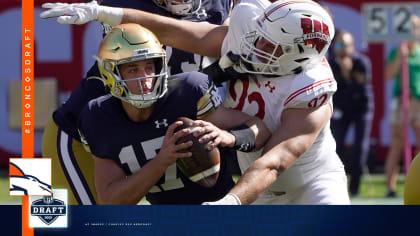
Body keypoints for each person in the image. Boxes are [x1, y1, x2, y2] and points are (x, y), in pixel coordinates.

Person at [40, 0, 350, 205]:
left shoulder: (308, 86)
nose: (255, 42)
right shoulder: (97, 112)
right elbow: (174, 30)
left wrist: (229, 192)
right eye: (257, 33)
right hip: (83, 132)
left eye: (269, 42)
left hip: (175, 129)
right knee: (48, 217)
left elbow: (270, 152)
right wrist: (103, 11)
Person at [40, 0, 232, 205]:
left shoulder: (219, 4)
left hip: (152, 129)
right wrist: (114, 13)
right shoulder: (126, 5)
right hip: (84, 131)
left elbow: (221, 45)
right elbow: (188, 36)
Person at [78, 23, 269, 204]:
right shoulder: (98, 117)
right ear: (110, 73)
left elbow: (261, 129)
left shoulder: (188, 92)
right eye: (133, 69)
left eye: (149, 67)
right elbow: (111, 201)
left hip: (220, 209)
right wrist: (161, 161)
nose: (145, 78)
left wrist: (228, 137)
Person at [327, 30, 374, 196]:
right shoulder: (330, 63)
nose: (340, 48)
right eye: (337, 45)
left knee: (360, 148)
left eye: (343, 45)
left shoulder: (362, 62)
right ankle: (336, 185)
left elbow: (362, 84)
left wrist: (349, 73)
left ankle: (354, 188)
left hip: (361, 109)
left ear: (352, 47)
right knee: (335, 145)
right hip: (341, 108)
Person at [384, 15, 420, 198]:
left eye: (414, 27)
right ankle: (390, 187)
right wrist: (399, 57)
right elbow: (388, 75)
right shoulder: (397, 50)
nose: (411, 31)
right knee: (397, 144)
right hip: (400, 101)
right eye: (408, 28)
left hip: (419, 101)